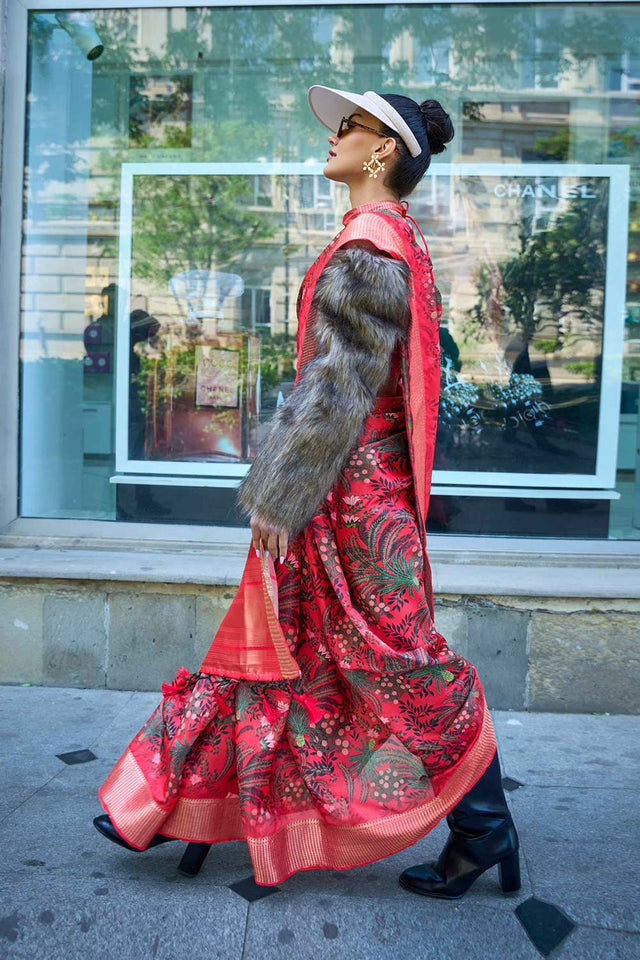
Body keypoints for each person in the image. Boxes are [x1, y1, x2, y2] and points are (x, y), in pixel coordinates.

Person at [93, 85, 520, 899]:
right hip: (352, 486)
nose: (333, 137)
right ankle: (185, 803)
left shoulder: (368, 241)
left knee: (399, 659)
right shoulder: (394, 234)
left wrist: (281, 496)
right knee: (286, 647)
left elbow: (338, 387)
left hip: (349, 494)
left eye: (349, 127)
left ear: (384, 149)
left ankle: (483, 825)